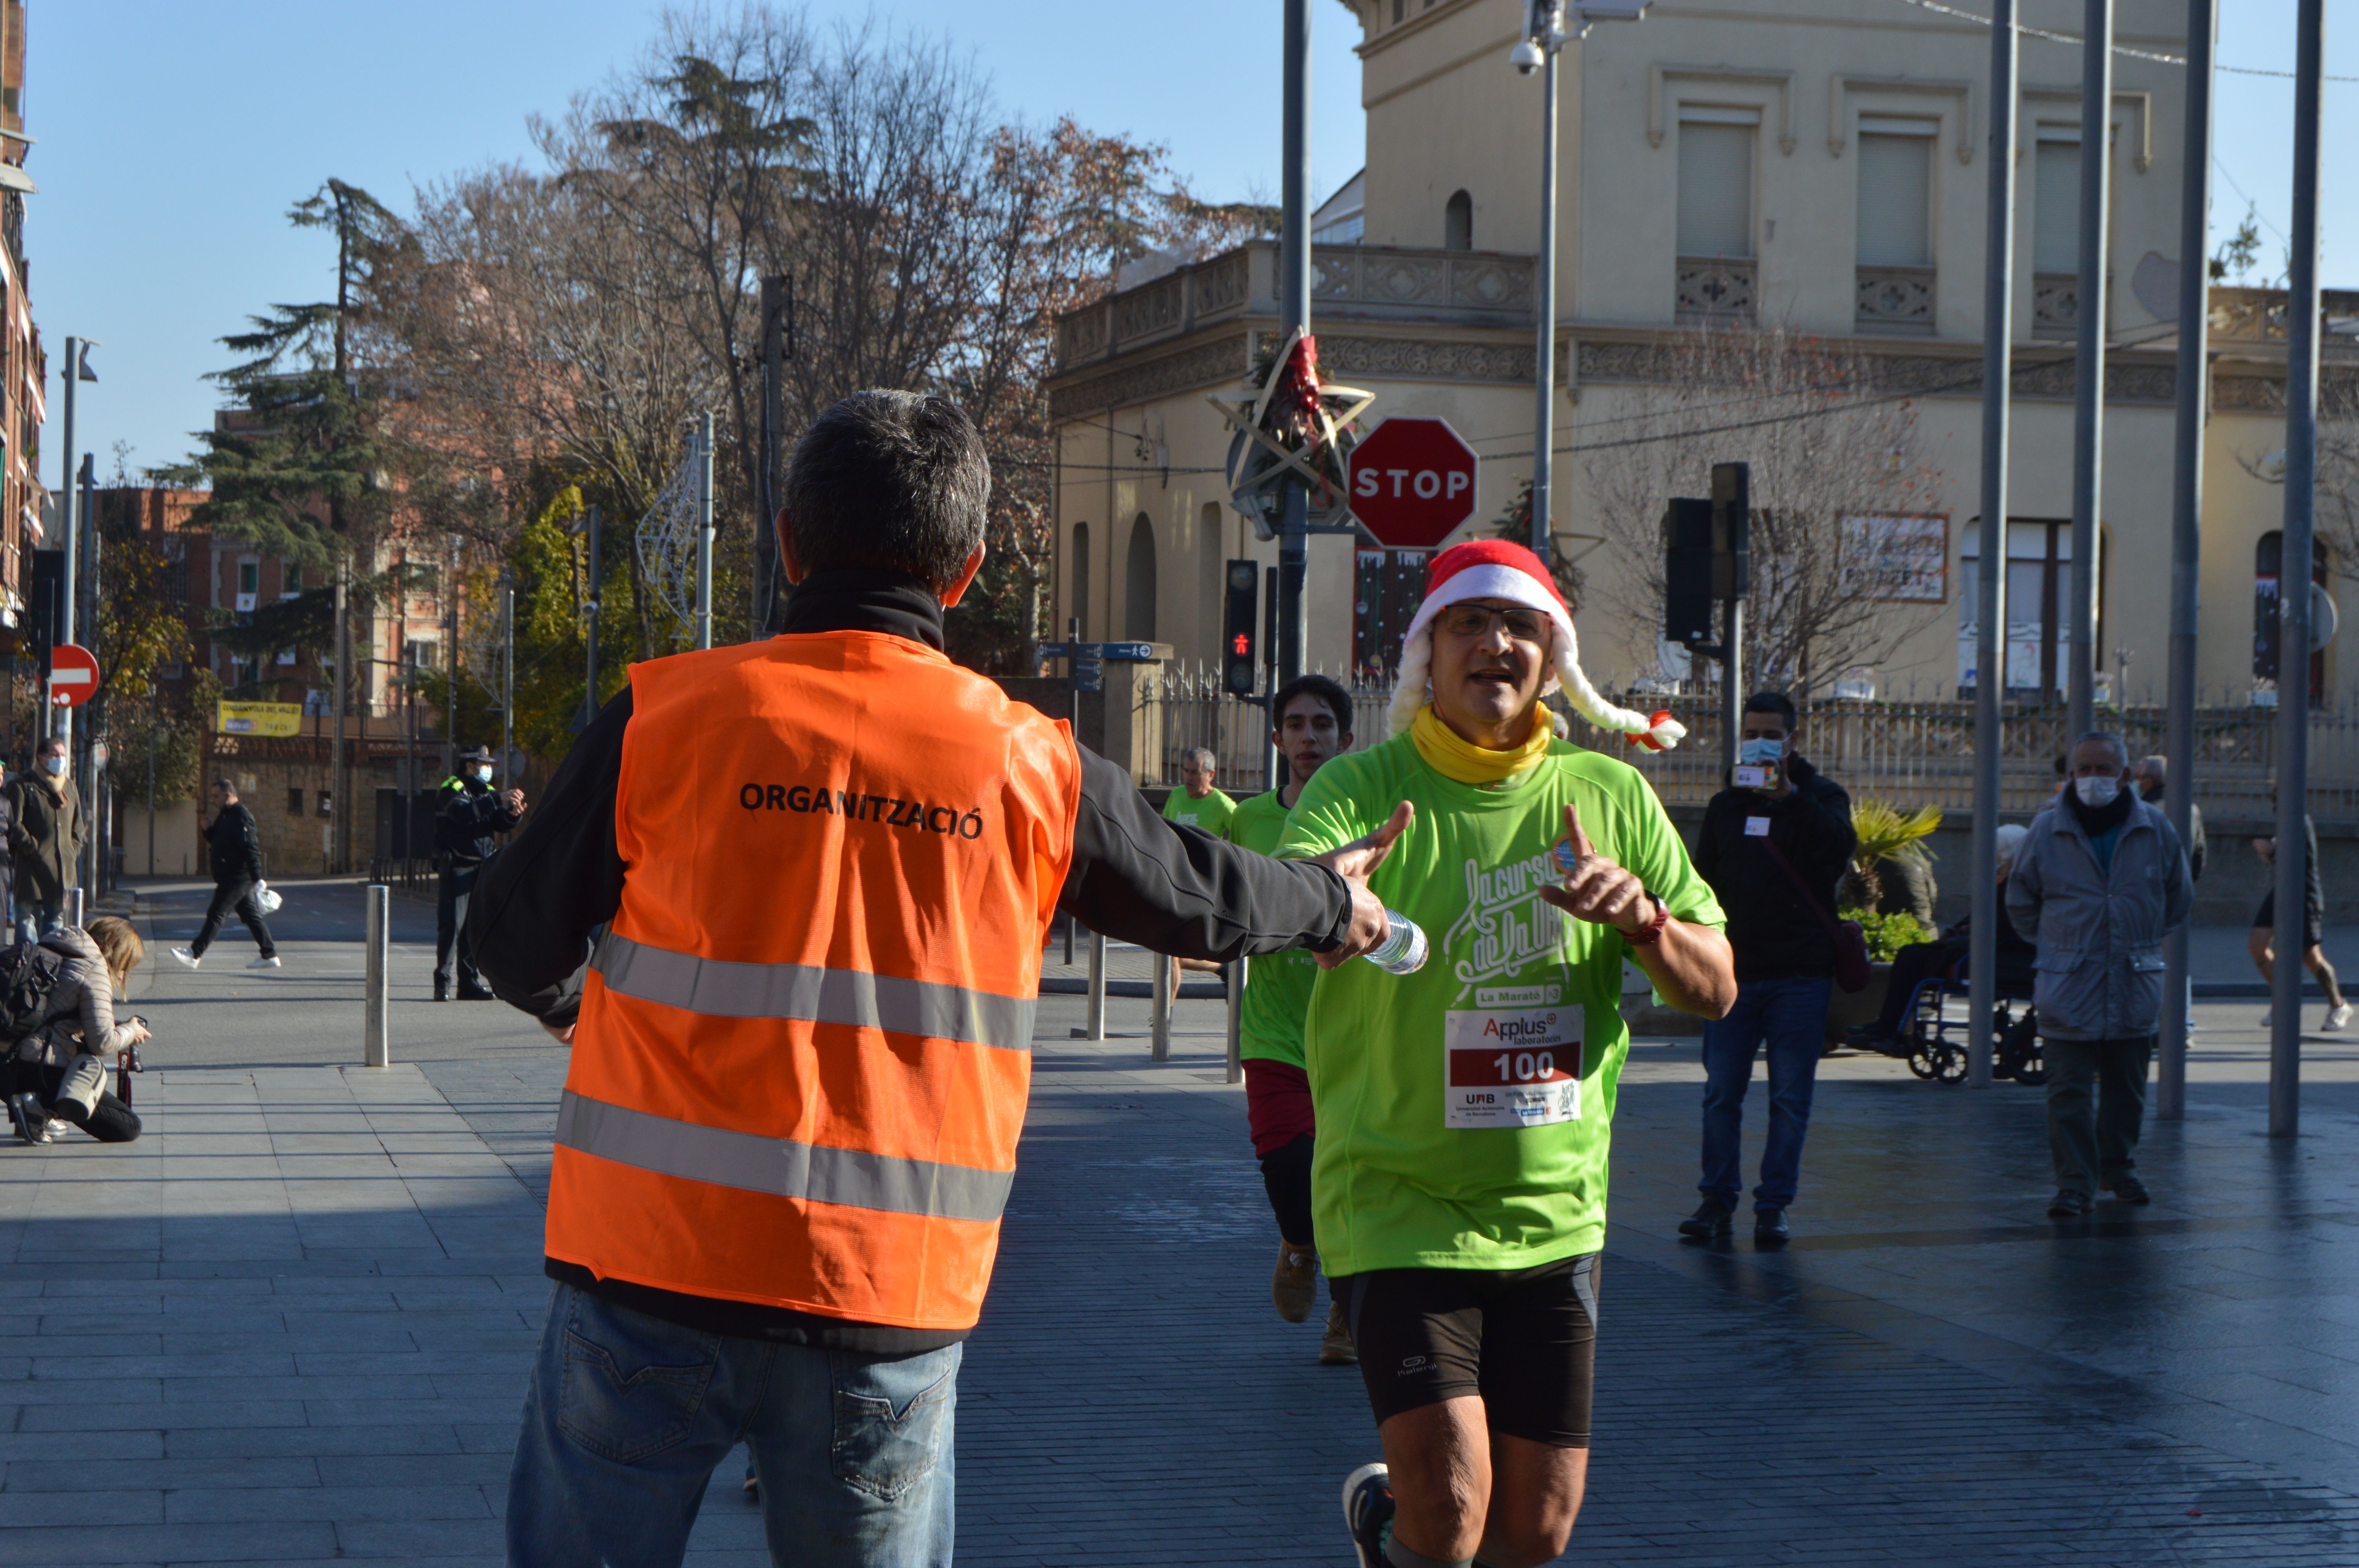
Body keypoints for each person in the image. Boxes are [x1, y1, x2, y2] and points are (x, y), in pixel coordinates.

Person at [465, 389, 1399, 1568]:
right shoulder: (1026, 762)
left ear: (790, 544)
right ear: (961, 574)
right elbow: (1199, 892)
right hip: (881, 1295)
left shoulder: (668, 715)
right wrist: (1331, 904)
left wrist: (578, 1008)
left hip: (646, 1270)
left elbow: (505, 938)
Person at [1273, 539, 1732, 1568]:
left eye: (1521, 626)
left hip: (1555, 1213)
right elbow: (1287, 889)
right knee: (1451, 1509)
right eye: (1469, 623)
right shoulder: (1362, 786)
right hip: (1398, 1201)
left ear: (1553, 659)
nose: (1497, 643)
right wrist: (1330, 897)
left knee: (1537, 1532)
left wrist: (1649, 923)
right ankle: (1402, 1523)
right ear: (1425, 658)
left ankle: (1387, 1527)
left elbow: (1719, 986)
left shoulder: (1608, 799)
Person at [1681, 691, 1855, 1245]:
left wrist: (1790, 798)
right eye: (1752, 733)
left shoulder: (1824, 798)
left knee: (1789, 1097)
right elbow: (1700, 884)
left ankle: (1773, 1206)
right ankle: (1716, 1200)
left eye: (1773, 735)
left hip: (1799, 977)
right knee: (1721, 1093)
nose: (1762, 743)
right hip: (1733, 977)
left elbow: (1836, 850)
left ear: (1793, 739)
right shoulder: (1727, 806)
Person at [1227, 671, 1358, 1365]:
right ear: (1278, 738)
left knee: (1348, 1180)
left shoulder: (1373, 817)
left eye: (1324, 726)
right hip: (1274, 1029)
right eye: (1298, 725)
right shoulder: (1248, 819)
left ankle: (1345, 1311)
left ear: (1346, 737)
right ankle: (1299, 1245)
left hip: (1350, 1032)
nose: (1310, 738)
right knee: (1290, 1167)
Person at [2009, 731, 2194, 1218]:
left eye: (2104, 768)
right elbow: (2021, 900)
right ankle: (2074, 1182)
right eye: (2084, 769)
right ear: (2070, 776)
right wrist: (2058, 945)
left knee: (2126, 1087)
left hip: (2134, 977)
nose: (2094, 778)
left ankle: (2118, 1168)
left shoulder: (2155, 828)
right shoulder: (2046, 830)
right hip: (2068, 981)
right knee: (2067, 1090)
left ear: (2126, 774)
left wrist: (2141, 937)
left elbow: (2178, 897)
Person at [1848, 823, 2033, 1052]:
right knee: (1910, 953)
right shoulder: (2005, 885)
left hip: (1998, 952)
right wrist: (1956, 933)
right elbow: (1977, 919)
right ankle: (1886, 1027)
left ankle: (1890, 1030)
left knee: (1914, 958)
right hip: (1986, 947)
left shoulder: (2016, 886)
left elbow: (1996, 925)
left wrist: (1957, 936)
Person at [5, 914, 150, 1145]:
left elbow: (56, 1011)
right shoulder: (95, 967)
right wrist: (131, 1030)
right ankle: (39, 1104)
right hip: (38, 1066)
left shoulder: (52, 944)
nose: (124, 975)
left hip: (8, 1061)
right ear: (118, 955)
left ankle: (32, 1112)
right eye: (126, 967)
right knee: (129, 1125)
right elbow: (102, 1043)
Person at [434, 746, 526, 1002]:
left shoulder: (487, 792)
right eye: (482, 764)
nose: (487, 769)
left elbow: (498, 823)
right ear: (469, 766)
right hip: (457, 866)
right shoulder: (451, 789)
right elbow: (463, 815)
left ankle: (469, 984)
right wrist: (498, 800)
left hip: (482, 866)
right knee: (451, 926)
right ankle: (442, 983)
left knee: (473, 929)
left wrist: (512, 815)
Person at [2249, 806, 2350, 1033]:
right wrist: (2272, 852)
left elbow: (2296, 853)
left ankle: (2339, 1005)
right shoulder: (2286, 817)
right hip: (2283, 891)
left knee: (2310, 956)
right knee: (2258, 944)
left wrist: (2272, 849)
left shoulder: (2299, 818)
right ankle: (2285, 1002)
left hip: (2304, 894)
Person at [169, 779, 280, 971]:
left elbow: (250, 848)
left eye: (216, 796)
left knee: (216, 914)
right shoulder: (226, 816)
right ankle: (269, 955)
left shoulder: (241, 817)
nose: (213, 800)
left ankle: (195, 954)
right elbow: (220, 842)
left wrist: (257, 878)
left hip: (237, 877)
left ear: (228, 795)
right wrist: (208, 831)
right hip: (229, 876)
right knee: (251, 916)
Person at [2135, 755, 2205, 1044]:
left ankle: (2152, 1025)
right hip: (2178, 893)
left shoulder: (2142, 811)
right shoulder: (2192, 809)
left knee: (2145, 959)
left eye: (2137, 778)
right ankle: (2182, 1024)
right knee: (2177, 960)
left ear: (2148, 782)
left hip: (2145, 896)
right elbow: (2200, 854)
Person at [7, 738, 82, 944]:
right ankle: (26, 969)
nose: (61, 760)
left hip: (62, 870)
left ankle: (49, 969)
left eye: (63, 755)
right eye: (55, 755)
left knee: (56, 924)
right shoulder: (22, 786)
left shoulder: (70, 788)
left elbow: (78, 828)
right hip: (31, 869)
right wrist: (34, 848)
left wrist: (72, 850)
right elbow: (14, 824)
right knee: (26, 920)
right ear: (41, 758)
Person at [1162, 745, 1236, 835]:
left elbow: (1243, 832)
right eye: (1186, 771)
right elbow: (1163, 830)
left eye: (1195, 773)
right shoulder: (1177, 794)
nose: (1189, 777)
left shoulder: (1222, 804)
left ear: (1211, 775)